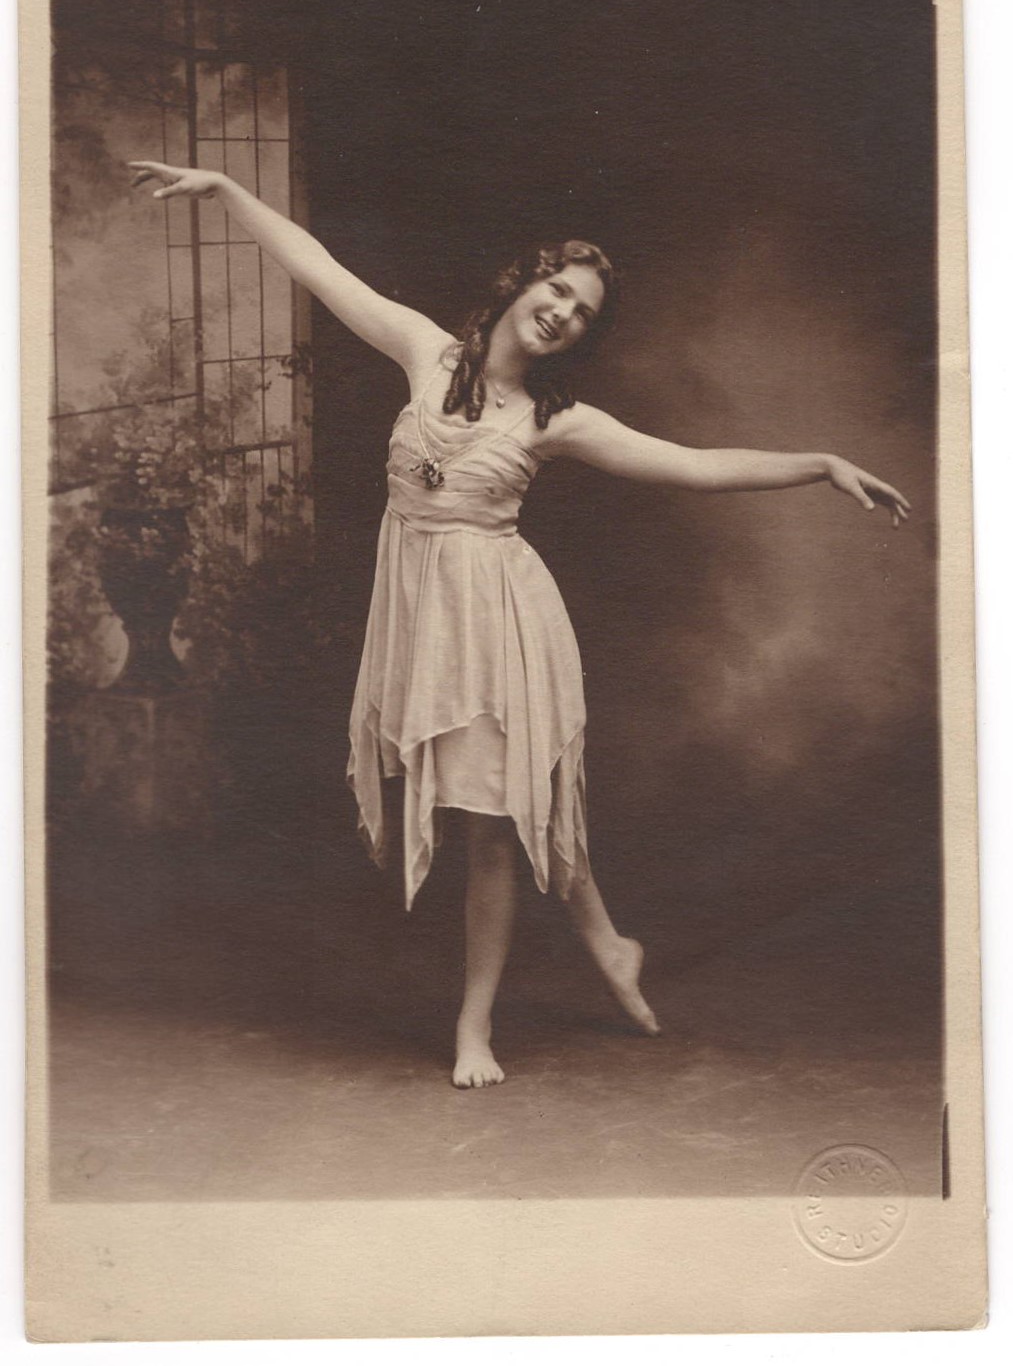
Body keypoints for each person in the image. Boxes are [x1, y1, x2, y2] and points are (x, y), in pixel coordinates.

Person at [129, 160, 911, 1089]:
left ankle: (474, 1028)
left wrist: (818, 463)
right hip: (424, 619)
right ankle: (609, 944)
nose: (563, 314)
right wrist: (225, 189)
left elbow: (692, 464)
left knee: (492, 821)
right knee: (512, 796)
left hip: (499, 622)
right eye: (558, 291)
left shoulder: (555, 420)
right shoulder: (424, 352)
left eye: (582, 313)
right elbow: (318, 268)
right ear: (522, 283)